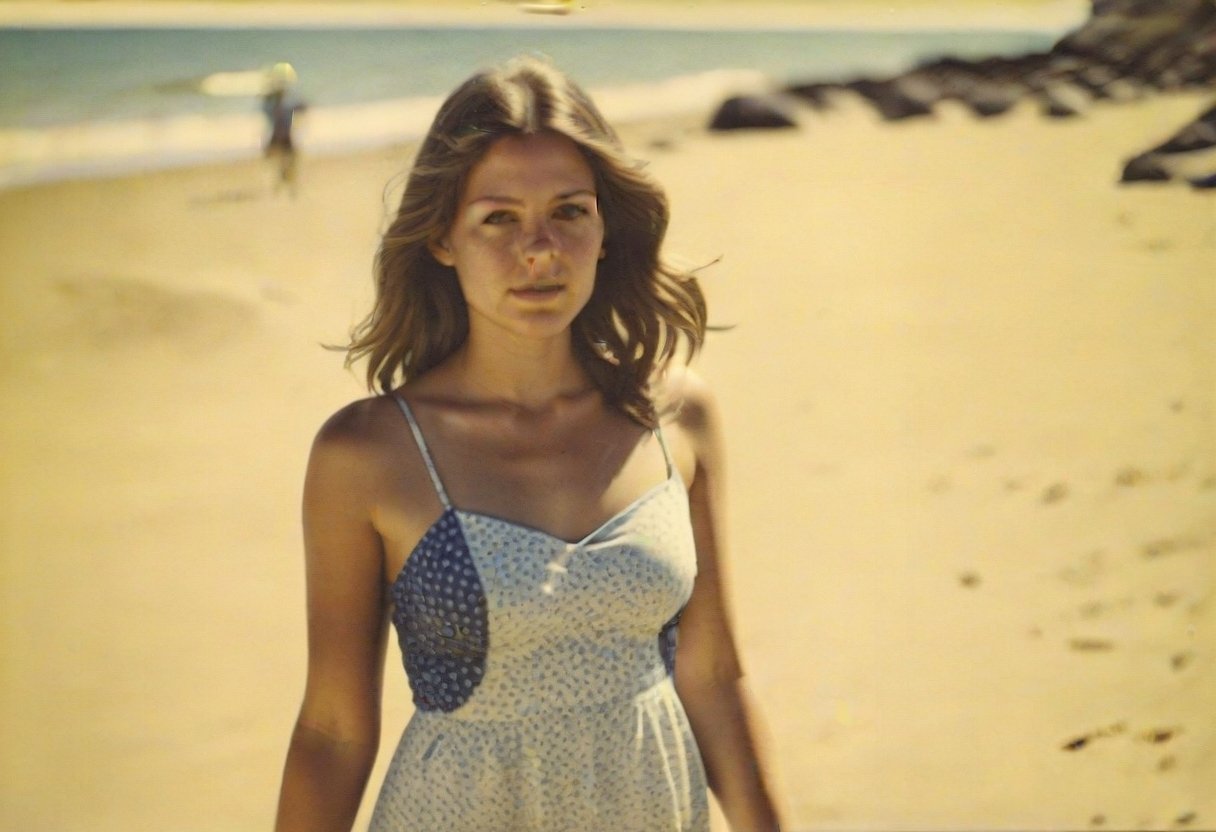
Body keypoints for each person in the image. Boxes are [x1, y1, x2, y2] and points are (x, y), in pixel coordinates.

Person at [274, 55, 783, 832]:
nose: (539, 250)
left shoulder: (676, 416)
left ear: (607, 227)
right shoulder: (368, 453)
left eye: (569, 212)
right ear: (443, 237)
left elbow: (712, 675)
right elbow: (334, 729)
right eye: (499, 219)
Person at [262, 62, 306, 195]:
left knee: (288, 162)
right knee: (282, 162)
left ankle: (287, 187)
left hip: (283, 136)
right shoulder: (274, 105)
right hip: (279, 136)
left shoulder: (284, 104)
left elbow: (299, 108)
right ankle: (283, 186)